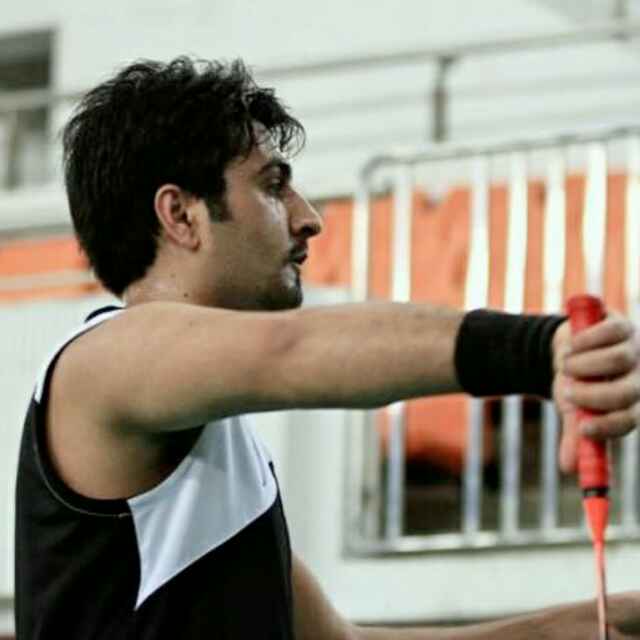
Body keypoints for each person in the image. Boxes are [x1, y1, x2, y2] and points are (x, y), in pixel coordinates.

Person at [14, 57, 640, 640]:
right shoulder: (100, 363)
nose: (308, 217)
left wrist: (583, 625)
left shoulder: (219, 462)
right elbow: (289, 350)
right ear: (181, 215)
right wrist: (538, 348)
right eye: (273, 186)